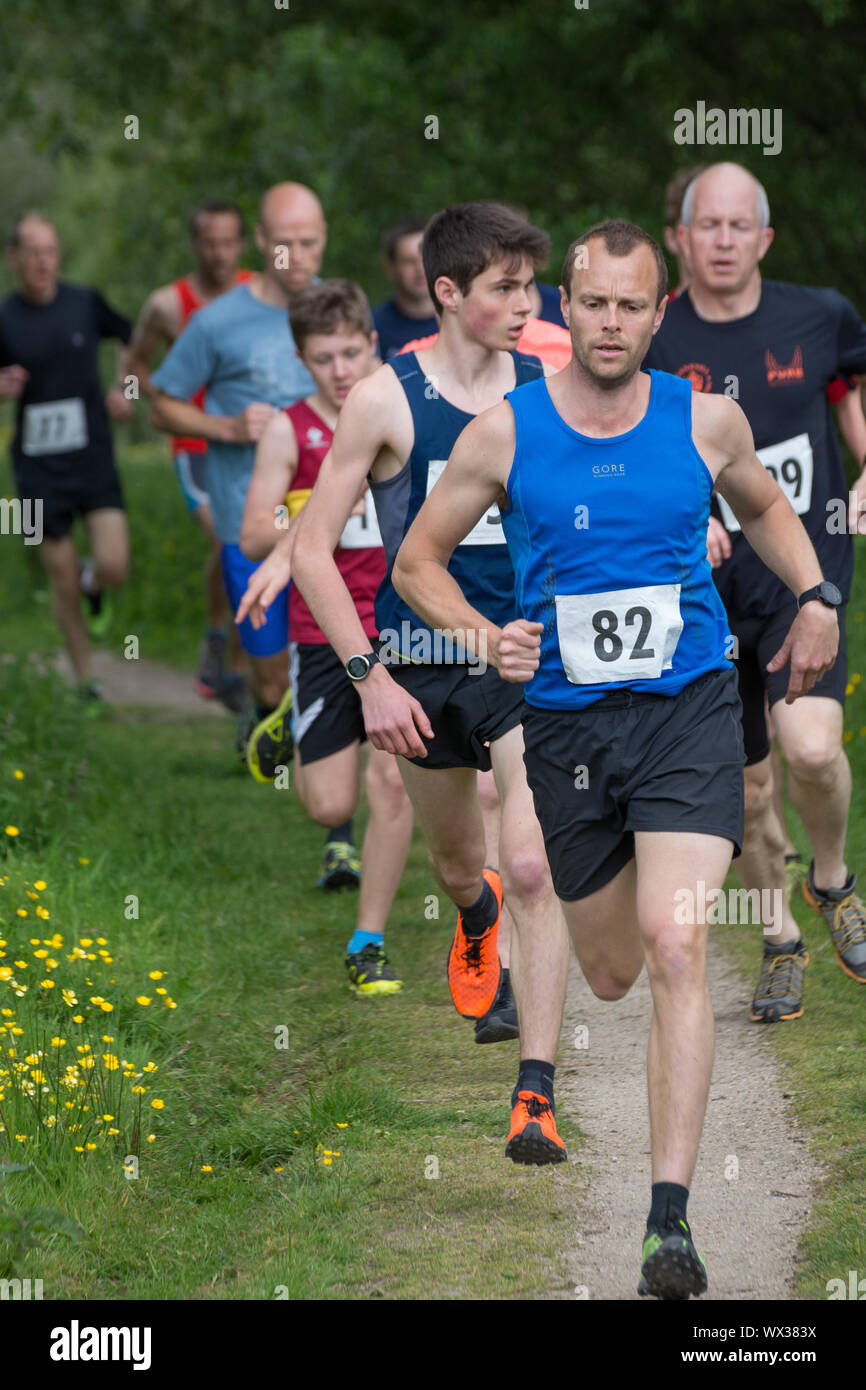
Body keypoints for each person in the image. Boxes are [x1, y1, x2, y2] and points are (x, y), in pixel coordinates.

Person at [394, 217, 838, 1300]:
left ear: (655, 312)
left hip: (685, 705)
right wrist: (476, 635)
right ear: (565, 304)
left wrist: (815, 592)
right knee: (611, 968)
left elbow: (768, 506)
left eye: (629, 307)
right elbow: (416, 561)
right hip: (565, 727)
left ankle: (666, 1226)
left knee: (677, 939)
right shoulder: (505, 433)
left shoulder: (703, 419)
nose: (607, 323)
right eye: (588, 303)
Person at [238, 202, 570, 1057]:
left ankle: (534, 1074)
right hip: (416, 662)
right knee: (461, 866)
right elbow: (312, 553)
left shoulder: (545, 392)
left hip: (519, 657)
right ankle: (475, 917)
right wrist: (370, 679)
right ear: (450, 293)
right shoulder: (385, 400)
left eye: (532, 286)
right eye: (508, 288)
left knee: (530, 863)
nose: (530, 304)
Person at [646, 162, 866, 1025]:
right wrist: (690, 511)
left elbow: (851, 399)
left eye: (741, 226)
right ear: (680, 237)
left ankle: (834, 880)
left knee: (809, 748)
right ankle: (777, 941)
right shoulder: (656, 338)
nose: (725, 241)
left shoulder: (820, 316)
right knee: (746, 787)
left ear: (765, 238)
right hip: (701, 587)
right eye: (709, 226)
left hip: (802, 572)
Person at [239, 279, 413, 968]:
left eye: (350, 353)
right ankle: (291, 716)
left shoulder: (398, 411)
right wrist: (314, 514)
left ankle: (367, 940)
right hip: (321, 635)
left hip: (399, 628)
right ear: (302, 360)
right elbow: (255, 533)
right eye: (323, 359)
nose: (340, 371)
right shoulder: (291, 429)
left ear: (373, 343)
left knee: (392, 781)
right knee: (327, 803)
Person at [150, 182, 327, 773]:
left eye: (311, 243)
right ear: (261, 241)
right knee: (272, 675)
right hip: (248, 522)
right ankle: (263, 710)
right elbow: (162, 403)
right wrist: (226, 427)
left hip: (327, 520)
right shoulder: (218, 323)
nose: (299, 257)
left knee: (336, 650)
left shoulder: (336, 312)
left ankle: (331, 765)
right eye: (285, 245)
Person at [124, 199, 251, 709]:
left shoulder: (259, 294)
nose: (218, 253)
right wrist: (147, 397)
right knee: (232, 541)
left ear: (241, 244)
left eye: (228, 242)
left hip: (250, 444)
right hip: (196, 446)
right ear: (194, 244)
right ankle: (221, 646)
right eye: (209, 242)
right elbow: (132, 368)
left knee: (248, 547)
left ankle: (236, 661)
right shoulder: (167, 304)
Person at [0, 212, 133, 698]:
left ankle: (95, 581)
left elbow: (131, 337)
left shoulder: (84, 302)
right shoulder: (5, 317)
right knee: (60, 580)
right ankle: (86, 682)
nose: (43, 262)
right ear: (14, 258)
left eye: (50, 251)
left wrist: (126, 389)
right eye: (33, 252)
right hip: (35, 471)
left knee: (115, 564)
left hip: (92, 458)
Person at [372, 219, 438, 360]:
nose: (420, 268)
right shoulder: (373, 326)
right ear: (390, 267)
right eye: (408, 261)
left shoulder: (461, 321)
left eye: (426, 258)